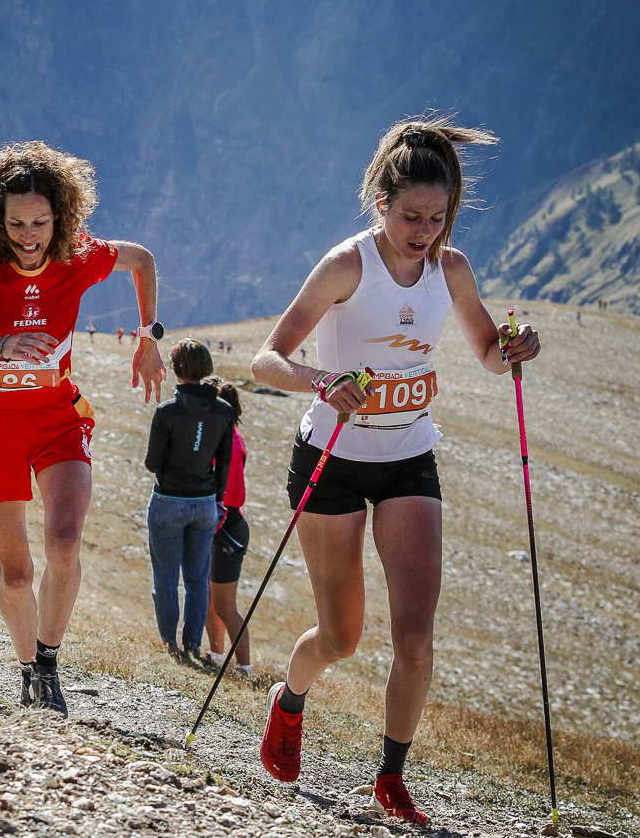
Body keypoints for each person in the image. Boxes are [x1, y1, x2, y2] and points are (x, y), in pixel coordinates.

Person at [249, 115, 541, 825]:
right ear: (381, 201)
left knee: (415, 634)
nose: (424, 230)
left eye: (438, 217)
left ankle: (390, 776)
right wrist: (322, 380)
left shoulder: (452, 268)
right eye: (411, 215)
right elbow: (267, 358)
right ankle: (289, 702)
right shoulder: (347, 264)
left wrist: (517, 347)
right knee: (341, 637)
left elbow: (489, 354)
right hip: (333, 457)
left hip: (409, 455)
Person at [0, 140, 166, 717]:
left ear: (60, 217)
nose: (28, 235)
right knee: (15, 572)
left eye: (39, 221)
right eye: (15, 223)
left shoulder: (78, 254)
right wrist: (0, 346)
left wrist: (149, 337)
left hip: (58, 416)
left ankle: (51, 663)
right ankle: (28, 667)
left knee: (63, 542)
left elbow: (143, 259)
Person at [143, 339, 233, 662]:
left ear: (177, 369)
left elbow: (152, 463)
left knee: (165, 579)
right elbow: (224, 463)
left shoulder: (167, 412)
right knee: (197, 579)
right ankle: (192, 644)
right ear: (206, 367)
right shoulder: (224, 411)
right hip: (206, 502)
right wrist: (217, 498)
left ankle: (169, 643)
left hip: (168, 499)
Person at [202, 376, 251, 675]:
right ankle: (216, 655)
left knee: (225, 605)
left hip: (225, 528)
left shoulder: (227, 441)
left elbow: (232, 493)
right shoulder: (229, 435)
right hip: (224, 525)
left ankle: (245, 667)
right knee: (211, 599)